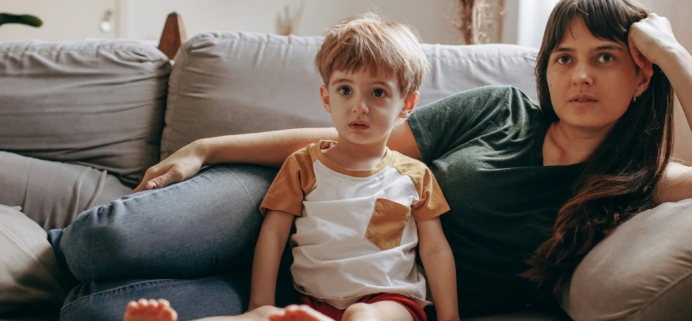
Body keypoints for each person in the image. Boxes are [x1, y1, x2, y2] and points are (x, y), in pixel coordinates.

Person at [49, 0, 692, 319]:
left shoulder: (634, 185)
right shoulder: (496, 109)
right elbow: (348, 141)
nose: (579, 75)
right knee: (99, 240)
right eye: (564, 56)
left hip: (362, 300)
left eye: (605, 58)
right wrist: (206, 145)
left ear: (640, 75)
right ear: (545, 68)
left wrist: (673, 53)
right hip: (288, 196)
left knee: (99, 314)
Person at [120, 13, 459, 321]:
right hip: (311, 304)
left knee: (362, 316)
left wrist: (449, 317)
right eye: (345, 90)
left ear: (407, 104)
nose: (360, 106)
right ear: (327, 98)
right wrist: (261, 304)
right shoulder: (303, 165)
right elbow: (274, 233)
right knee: (255, 319)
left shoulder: (415, 176)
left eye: (378, 93)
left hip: (391, 303)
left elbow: (435, 249)